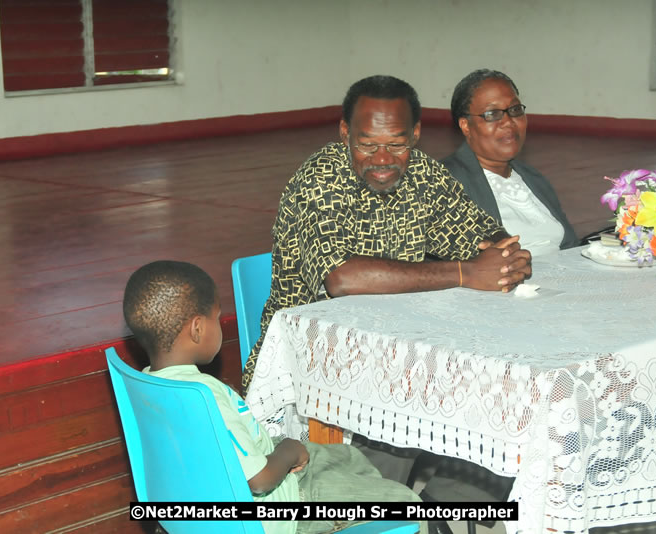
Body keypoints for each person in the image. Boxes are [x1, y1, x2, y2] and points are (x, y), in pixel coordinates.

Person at [239, 74, 531, 486]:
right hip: (317, 366)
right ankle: (371, 503)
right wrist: (465, 273)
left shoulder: (424, 174)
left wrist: (507, 256)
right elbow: (341, 278)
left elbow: (481, 232)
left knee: (493, 387)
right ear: (345, 133)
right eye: (367, 144)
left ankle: (449, 495)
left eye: (396, 144)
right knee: (416, 412)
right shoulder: (320, 179)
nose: (381, 159)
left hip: (396, 349)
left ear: (415, 135)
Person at [122, 260, 426, 534]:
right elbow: (260, 480)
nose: (219, 325)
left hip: (226, 496)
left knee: (348, 457)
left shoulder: (146, 383)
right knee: (407, 502)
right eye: (217, 317)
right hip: (280, 508)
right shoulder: (204, 395)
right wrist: (289, 452)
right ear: (198, 329)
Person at [441, 69, 578, 256]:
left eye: (515, 110)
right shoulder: (444, 182)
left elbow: (571, 246)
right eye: (492, 114)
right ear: (466, 125)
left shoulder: (532, 178)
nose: (508, 122)